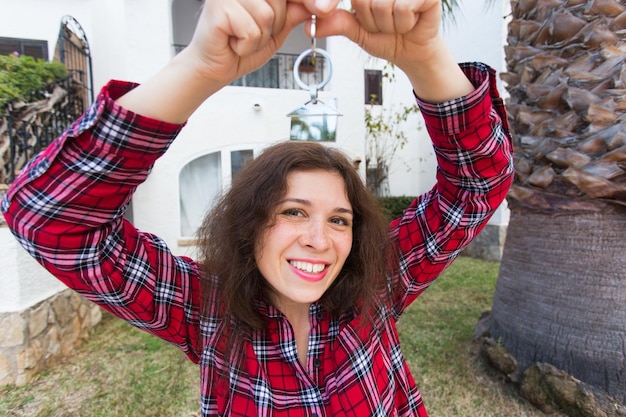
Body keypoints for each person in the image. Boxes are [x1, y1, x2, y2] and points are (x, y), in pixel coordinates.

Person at [1, 0, 514, 415]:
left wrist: (424, 58)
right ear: (250, 226)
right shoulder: (202, 308)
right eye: (292, 211)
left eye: (339, 219)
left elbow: (476, 186)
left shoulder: (378, 280)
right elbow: (51, 221)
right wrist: (200, 69)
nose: (320, 238)